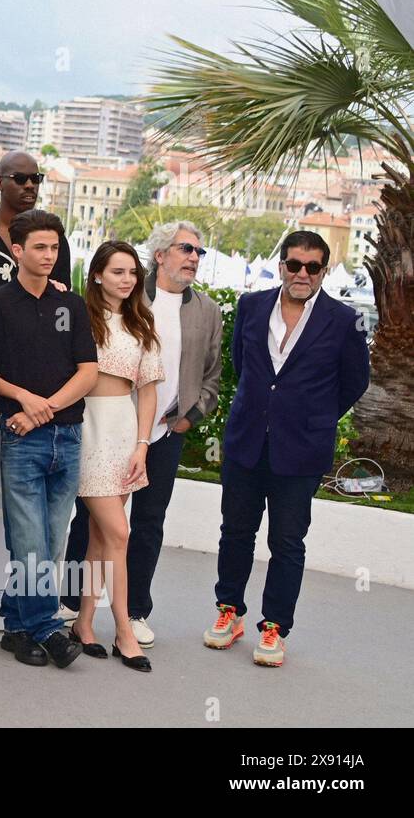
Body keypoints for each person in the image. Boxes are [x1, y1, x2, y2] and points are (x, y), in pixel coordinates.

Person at [205, 231, 369, 667]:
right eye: (294, 264)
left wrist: (312, 416)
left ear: (324, 271)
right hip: (246, 441)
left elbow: (355, 381)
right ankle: (229, 610)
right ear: (281, 266)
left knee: (287, 540)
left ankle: (275, 626)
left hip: (302, 450)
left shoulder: (344, 320)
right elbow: (242, 365)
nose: (302, 274)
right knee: (235, 532)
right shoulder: (251, 306)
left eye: (312, 267)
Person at [61, 222, 223, 646]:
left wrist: (182, 421)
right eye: (185, 248)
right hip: (93, 429)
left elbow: (207, 374)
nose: (193, 257)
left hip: (151, 433)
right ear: (161, 255)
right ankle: (83, 609)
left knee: (138, 525)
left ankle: (123, 615)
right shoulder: (99, 309)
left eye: (199, 252)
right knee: (101, 528)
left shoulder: (196, 311)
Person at [0, 210, 96, 669]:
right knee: (30, 542)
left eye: (54, 247)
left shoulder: (70, 304)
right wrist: (23, 400)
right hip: (21, 440)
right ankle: (47, 628)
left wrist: (43, 409)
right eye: (40, 247)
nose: (49, 255)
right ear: (17, 250)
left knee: (51, 544)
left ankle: (16, 626)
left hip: (68, 436)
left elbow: (88, 372)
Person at [67, 242, 162, 673]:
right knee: (119, 533)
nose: (127, 280)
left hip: (125, 431)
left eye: (132, 273)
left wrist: (142, 445)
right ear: (97, 275)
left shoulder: (142, 321)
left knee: (100, 537)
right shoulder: (78, 315)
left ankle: (84, 623)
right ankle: (124, 630)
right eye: (117, 271)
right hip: (87, 427)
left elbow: (148, 392)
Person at [0, 152, 71, 289]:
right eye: (20, 179)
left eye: (35, 179)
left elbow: (62, 290)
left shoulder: (53, 235)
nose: (30, 185)